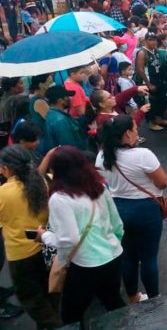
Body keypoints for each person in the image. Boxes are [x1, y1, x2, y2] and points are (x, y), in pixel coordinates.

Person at [38, 146, 126, 325]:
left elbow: (69, 239)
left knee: (71, 315)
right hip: (113, 254)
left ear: (56, 170)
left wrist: (45, 236)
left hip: (85, 264)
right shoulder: (98, 187)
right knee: (114, 303)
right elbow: (117, 224)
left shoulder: (60, 198)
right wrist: (113, 243)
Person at [95, 115, 167, 304]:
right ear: (127, 134)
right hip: (145, 210)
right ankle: (154, 298)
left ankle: (133, 296)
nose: (137, 131)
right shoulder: (143, 155)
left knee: (128, 256)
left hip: (117, 208)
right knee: (149, 257)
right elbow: (163, 181)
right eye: (135, 128)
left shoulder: (102, 156)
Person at [0, 145, 61, 329]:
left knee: (32, 299)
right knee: (50, 290)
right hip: (47, 248)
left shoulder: (3, 193)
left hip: (20, 255)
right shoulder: (44, 181)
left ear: (7, 169)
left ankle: (55, 326)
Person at [41, 86, 87, 153]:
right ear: (60, 101)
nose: (70, 99)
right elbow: (68, 148)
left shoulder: (53, 115)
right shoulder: (60, 121)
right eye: (67, 97)